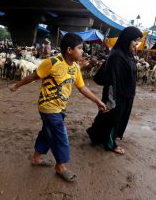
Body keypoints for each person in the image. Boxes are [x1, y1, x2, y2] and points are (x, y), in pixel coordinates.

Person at [10, 33, 107, 182]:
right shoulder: (52, 62)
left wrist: (97, 101)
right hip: (48, 107)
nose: (83, 52)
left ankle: (36, 158)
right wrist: (16, 85)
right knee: (60, 136)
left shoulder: (75, 67)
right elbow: (33, 76)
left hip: (60, 107)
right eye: (80, 48)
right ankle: (60, 167)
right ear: (69, 50)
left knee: (47, 132)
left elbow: (82, 88)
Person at [86, 26, 143, 155]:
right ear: (127, 39)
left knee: (107, 117)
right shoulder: (117, 56)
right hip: (117, 95)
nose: (137, 43)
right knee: (114, 119)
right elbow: (112, 81)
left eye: (138, 40)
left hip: (127, 93)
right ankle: (110, 143)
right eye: (135, 40)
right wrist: (112, 101)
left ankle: (96, 135)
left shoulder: (127, 54)